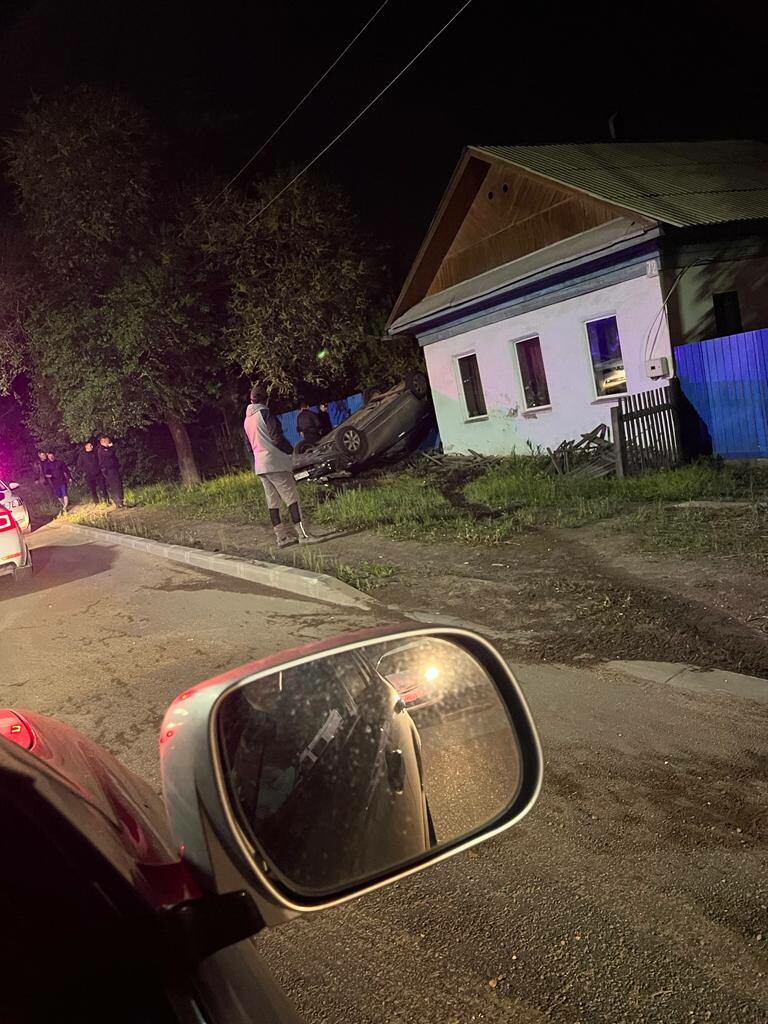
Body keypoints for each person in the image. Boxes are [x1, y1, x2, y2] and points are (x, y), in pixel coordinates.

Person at [244, 384, 320, 548]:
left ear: (251, 400)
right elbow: (276, 438)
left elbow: (249, 447)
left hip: (260, 466)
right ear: (265, 399)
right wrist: (290, 451)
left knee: (273, 503)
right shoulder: (265, 413)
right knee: (292, 499)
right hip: (275, 463)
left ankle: (281, 538)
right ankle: (303, 535)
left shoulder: (247, 420)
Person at [97, 435, 124, 508]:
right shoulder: (101, 450)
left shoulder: (106, 449)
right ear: (103, 442)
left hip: (114, 469)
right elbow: (109, 454)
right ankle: (118, 502)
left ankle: (120, 501)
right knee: (114, 485)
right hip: (108, 470)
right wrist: (111, 447)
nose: (109, 443)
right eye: (108, 441)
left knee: (118, 484)